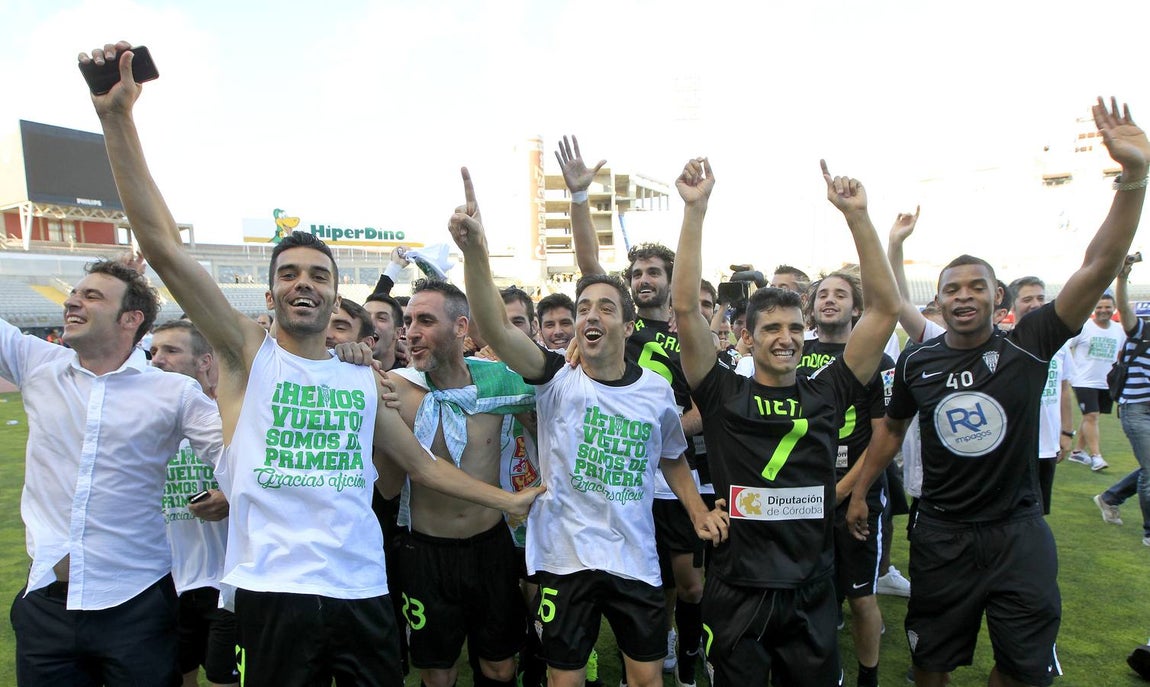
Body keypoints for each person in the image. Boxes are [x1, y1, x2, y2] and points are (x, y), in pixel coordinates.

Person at [84, 42, 541, 687]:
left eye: (319, 275)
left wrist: (507, 501)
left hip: (360, 586)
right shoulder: (248, 353)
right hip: (271, 591)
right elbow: (161, 246)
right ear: (271, 294)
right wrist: (118, 118)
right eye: (290, 274)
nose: (306, 283)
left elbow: (416, 463)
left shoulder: (360, 374)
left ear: (332, 293)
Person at [847, 96, 1149, 687]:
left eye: (976, 287)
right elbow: (890, 432)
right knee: (930, 662)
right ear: (938, 301)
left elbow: (1097, 263)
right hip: (940, 534)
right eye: (951, 289)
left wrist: (1133, 178)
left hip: (1018, 531)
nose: (963, 296)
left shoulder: (1029, 342)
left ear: (998, 299)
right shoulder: (919, 358)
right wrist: (860, 491)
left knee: (1026, 668)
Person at [449, 166, 726, 687]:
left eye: (604, 307)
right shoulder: (555, 378)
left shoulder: (655, 391)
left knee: (646, 679)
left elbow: (670, 456)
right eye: (582, 308)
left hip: (634, 555)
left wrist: (696, 511)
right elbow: (493, 327)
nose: (589, 315)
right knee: (565, 679)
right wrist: (475, 254)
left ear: (626, 323)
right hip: (564, 556)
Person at [672, 157, 899, 686]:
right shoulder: (723, 391)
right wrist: (695, 210)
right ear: (747, 338)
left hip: (812, 586)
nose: (786, 337)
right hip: (738, 586)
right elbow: (685, 309)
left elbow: (884, 312)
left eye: (795, 327)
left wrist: (857, 217)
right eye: (771, 327)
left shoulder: (830, 390)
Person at [5, 258, 222, 687]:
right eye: (74, 293)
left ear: (131, 318)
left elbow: (235, 457)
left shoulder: (172, 391)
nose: (72, 301)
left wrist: (234, 492)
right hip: (47, 602)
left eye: (91, 296)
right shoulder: (37, 363)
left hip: (137, 604)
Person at [558, 135, 706, 682]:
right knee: (645, 580)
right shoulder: (619, 323)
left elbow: (707, 404)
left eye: (652, 273)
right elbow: (588, 265)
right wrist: (579, 200)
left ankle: (683, 660)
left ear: (670, 280)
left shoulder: (689, 333)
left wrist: (666, 429)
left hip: (671, 472)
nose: (642, 281)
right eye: (636, 273)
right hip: (626, 482)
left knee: (685, 584)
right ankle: (645, 653)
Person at [384, 278, 537, 687]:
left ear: (461, 327)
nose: (411, 332)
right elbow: (388, 485)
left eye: (426, 320)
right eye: (409, 320)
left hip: (491, 548)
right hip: (425, 555)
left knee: (501, 666)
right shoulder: (395, 389)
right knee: (437, 673)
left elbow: (555, 409)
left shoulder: (501, 384)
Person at [151, 319, 237, 687]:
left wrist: (230, 497)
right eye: (153, 351)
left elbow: (266, 482)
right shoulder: (144, 423)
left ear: (204, 361)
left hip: (226, 584)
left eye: (170, 351)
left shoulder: (232, 418)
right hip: (167, 583)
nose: (157, 360)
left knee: (223, 680)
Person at [1094, 255, 1150, 546]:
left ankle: (1110, 497)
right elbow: (1125, 310)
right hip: (1136, 408)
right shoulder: (1143, 331)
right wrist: (1122, 278)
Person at [1067, 293, 1126, 470]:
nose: (1103, 310)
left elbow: (1121, 354)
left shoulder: (1119, 330)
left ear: (1114, 308)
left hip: (1105, 382)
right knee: (1091, 416)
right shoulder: (1084, 327)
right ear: (1094, 309)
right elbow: (1067, 346)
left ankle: (1077, 452)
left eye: (1107, 307)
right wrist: (1071, 371)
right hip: (1083, 380)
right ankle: (1096, 456)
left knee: (1091, 417)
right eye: (1099, 307)